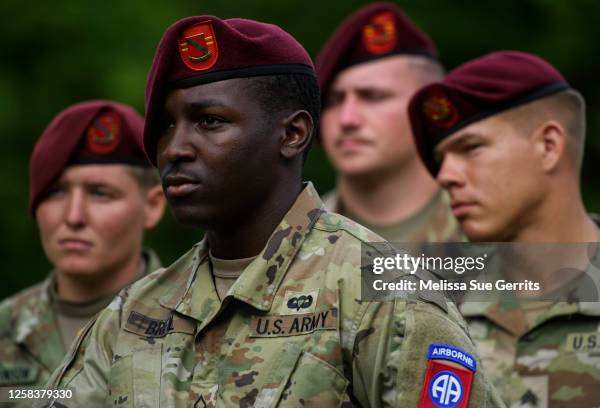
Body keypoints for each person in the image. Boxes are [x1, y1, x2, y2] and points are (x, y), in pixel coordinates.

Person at [38, 15, 503, 408]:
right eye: (165, 127)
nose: (175, 148)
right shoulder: (135, 312)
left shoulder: (381, 295)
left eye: (210, 121)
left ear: (293, 134)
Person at [408, 50, 600, 407]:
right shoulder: (430, 306)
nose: (444, 177)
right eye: (441, 160)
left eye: (470, 147)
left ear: (548, 146)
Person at [0, 101, 166, 401]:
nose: (73, 216)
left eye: (100, 193)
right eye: (56, 192)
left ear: (152, 205)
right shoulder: (5, 329)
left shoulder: (198, 321)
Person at [316, 2, 463, 243]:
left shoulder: (497, 230)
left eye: (373, 96)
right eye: (334, 100)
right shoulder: (289, 242)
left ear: (428, 109)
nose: (347, 119)